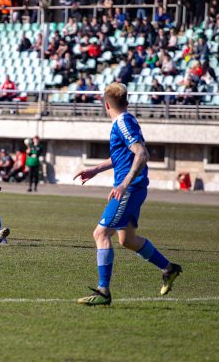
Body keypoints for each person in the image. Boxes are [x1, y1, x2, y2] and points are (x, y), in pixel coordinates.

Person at [74, 83, 182, 306]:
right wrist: (95, 169)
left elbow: (141, 154)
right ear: (127, 102)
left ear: (106, 104)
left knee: (100, 234)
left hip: (130, 188)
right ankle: (169, 268)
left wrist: (123, 184)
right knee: (127, 239)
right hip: (134, 187)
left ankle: (103, 291)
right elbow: (124, 155)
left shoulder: (122, 122)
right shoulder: (125, 121)